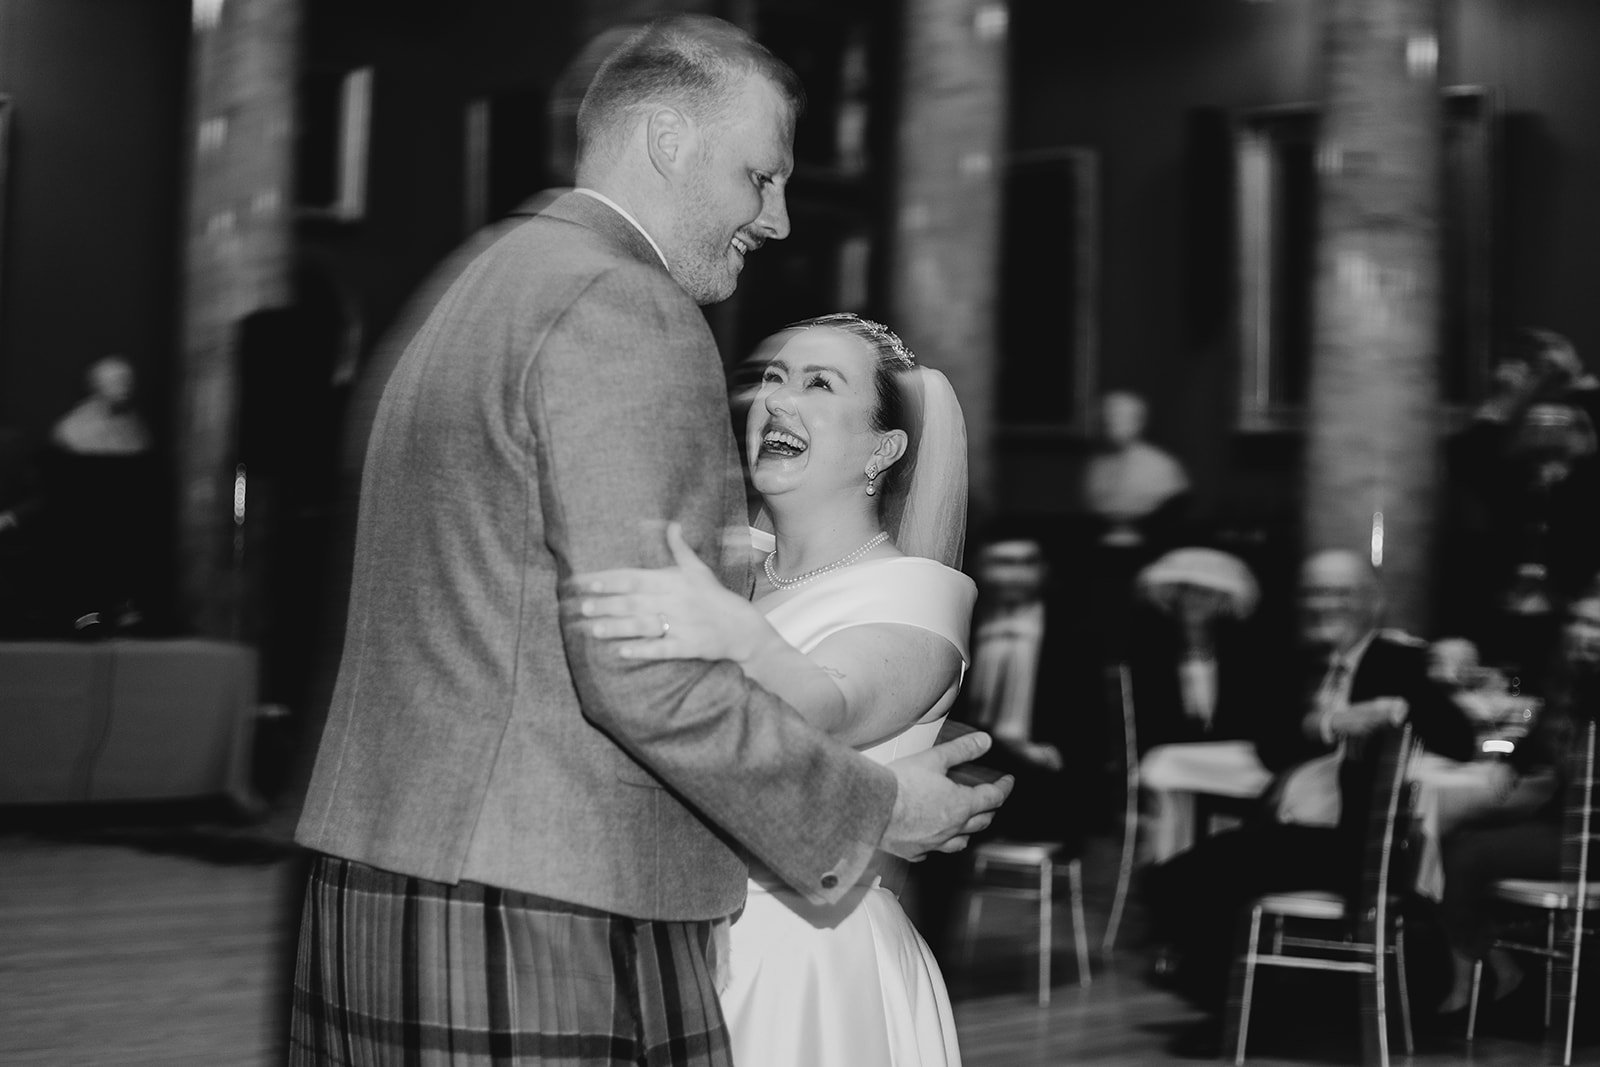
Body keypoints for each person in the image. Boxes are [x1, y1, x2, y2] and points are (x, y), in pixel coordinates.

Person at [289, 19, 1010, 1067]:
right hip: (545, 900)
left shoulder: (478, 282)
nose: (777, 218)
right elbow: (647, 669)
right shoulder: (623, 305)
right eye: (760, 176)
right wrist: (876, 811)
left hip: (389, 869)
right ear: (668, 140)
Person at [576, 313, 973, 1066]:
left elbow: (829, 708)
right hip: (670, 938)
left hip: (800, 956)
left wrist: (738, 635)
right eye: (772, 378)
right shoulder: (723, 570)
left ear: (883, 448)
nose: (776, 400)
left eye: (820, 384)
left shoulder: (918, 591)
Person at [1143, 549, 1476, 1052]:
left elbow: (1459, 740)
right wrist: (1328, 723)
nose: (1324, 604)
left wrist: (1403, 708)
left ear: (1372, 603)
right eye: (1314, 593)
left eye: (1340, 593)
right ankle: (1240, 1004)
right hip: (1297, 831)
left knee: (1193, 877)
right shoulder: (1299, 665)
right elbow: (1269, 746)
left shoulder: (1398, 661)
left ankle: (1240, 1013)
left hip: (1354, 843)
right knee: (1183, 877)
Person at [1433, 587, 1600, 1020]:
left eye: (1595, 625)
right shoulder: (1571, 689)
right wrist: (1505, 758)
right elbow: (1532, 745)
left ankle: (1474, 982)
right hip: (1567, 828)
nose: (1583, 633)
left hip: (1588, 841)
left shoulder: (1589, 692)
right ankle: (1502, 969)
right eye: (1577, 622)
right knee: (1459, 837)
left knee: (1463, 853)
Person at [43, 354, 162, 633]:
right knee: (88, 556)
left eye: (129, 380)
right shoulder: (72, 429)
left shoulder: (137, 427)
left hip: (125, 513)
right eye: (118, 381)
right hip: (87, 512)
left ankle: (124, 609)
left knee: (126, 554)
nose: (126, 387)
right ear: (96, 385)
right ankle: (87, 614)